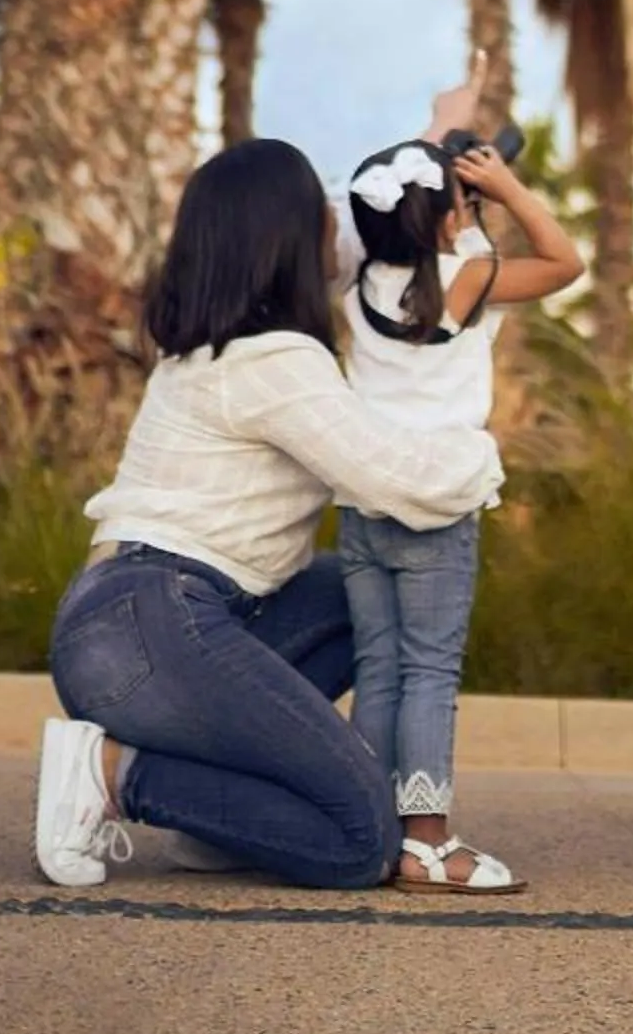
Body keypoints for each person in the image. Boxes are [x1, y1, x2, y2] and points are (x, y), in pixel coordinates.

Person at [34, 100, 502, 894]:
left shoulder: (233, 342)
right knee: (360, 839)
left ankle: (210, 814)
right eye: (318, 207)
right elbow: (397, 478)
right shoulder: (273, 360)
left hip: (164, 621)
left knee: (368, 593)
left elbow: (387, 223)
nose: (335, 220)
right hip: (150, 625)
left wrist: (434, 137)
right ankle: (116, 774)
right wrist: (483, 460)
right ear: (284, 238)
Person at [338, 133, 583, 892]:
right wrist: (505, 187)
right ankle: (429, 843)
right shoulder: (467, 279)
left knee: (379, 671)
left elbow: (435, 236)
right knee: (430, 671)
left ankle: (369, 830)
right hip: (438, 508)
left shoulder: (358, 291)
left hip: (365, 499)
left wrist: (452, 175)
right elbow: (565, 263)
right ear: (446, 218)